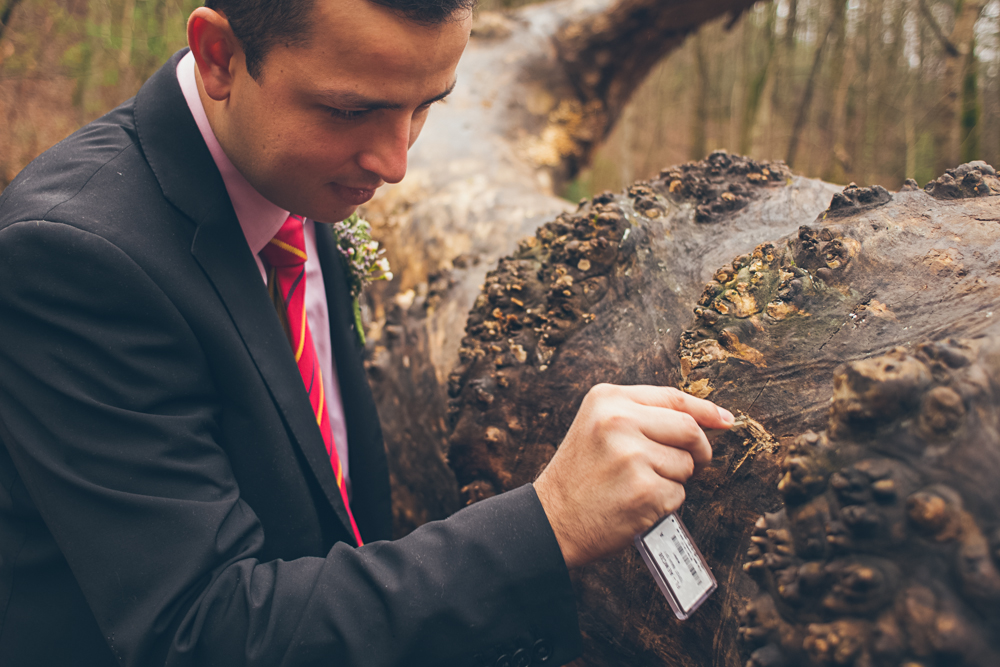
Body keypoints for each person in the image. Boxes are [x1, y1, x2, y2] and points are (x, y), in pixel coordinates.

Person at [0, 0, 735, 664]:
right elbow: (202, 629)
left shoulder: (284, 177)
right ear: (220, 56)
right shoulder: (73, 259)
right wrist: (549, 524)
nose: (397, 163)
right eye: (351, 111)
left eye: (425, 107)